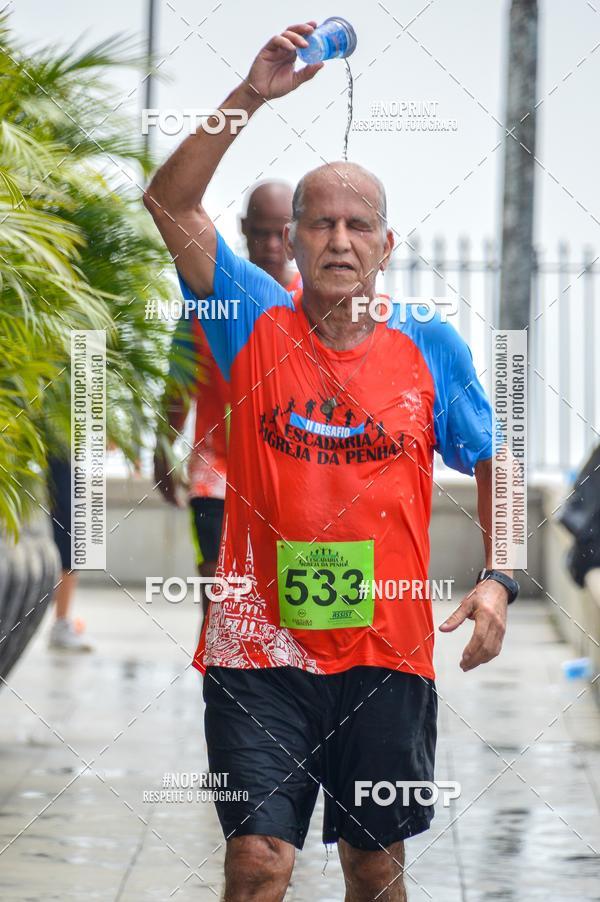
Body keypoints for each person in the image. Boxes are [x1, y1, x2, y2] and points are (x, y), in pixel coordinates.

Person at [144, 22, 519, 902]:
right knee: (257, 861)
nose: (339, 239)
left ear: (387, 246)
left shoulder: (427, 345)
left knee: (374, 868)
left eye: (359, 225)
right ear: (296, 242)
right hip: (256, 652)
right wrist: (251, 95)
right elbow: (169, 202)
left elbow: (498, 458)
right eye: (322, 223)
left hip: (385, 655)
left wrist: (501, 576)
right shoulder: (249, 317)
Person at [154, 181, 301, 621]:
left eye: (281, 233)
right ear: (243, 228)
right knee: (217, 579)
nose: (272, 245)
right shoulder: (206, 301)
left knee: (279, 587)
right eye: (261, 233)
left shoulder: (312, 305)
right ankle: (219, 675)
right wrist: (163, 448)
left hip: (289, 473)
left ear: (295, 235)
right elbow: (179, 380)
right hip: (214, 472)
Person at [47, 454, 93, 651]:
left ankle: (62, 622)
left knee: (70, 530)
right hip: (54, 445)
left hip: (60, 449)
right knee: (69, 529)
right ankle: (61, 623)